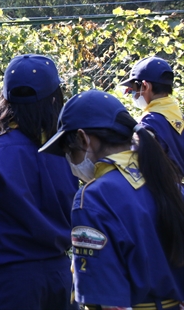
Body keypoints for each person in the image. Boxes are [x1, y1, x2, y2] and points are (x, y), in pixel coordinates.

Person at [0, 54, 79, 310]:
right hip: (60, 275)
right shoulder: (71, 151)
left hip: (9, 278)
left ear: (5, 100)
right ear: (56, 99)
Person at [39, 89, 184, 308]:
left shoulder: (94, 198)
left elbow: (106, 297)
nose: (70, 161)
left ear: (83, 138)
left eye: (69, 151)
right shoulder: (168, 183)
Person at [119, 56, 184, 174]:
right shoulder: (179, 117)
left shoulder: (149, 124)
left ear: (145, 86)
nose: (132, 94)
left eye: (132, 89)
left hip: (162, 190)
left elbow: (135, 169)